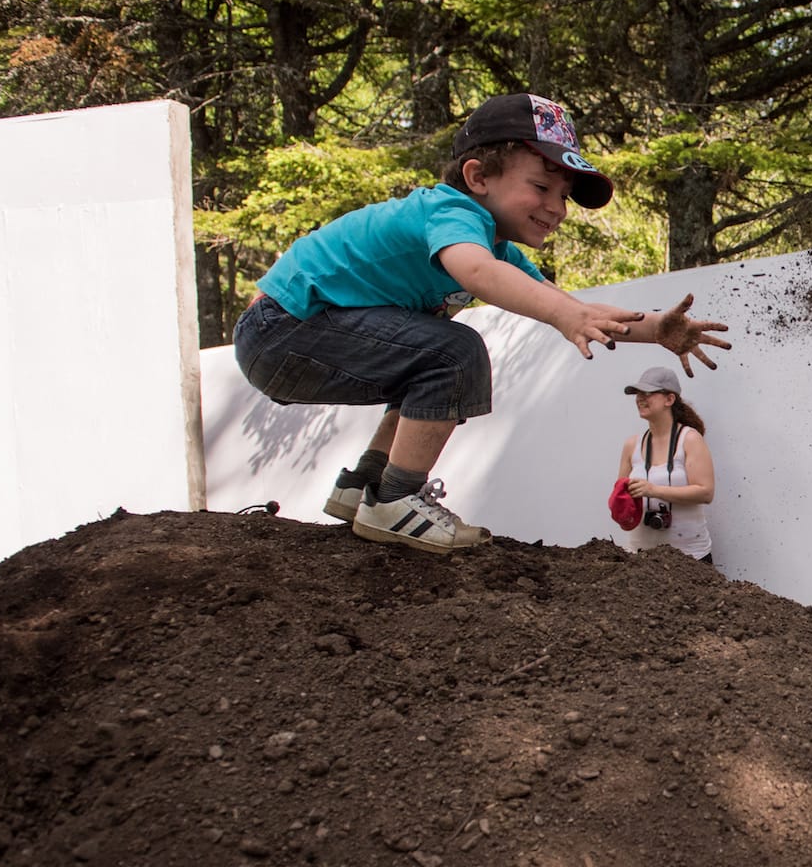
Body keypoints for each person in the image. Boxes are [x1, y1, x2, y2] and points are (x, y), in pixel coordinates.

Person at [233, 92, 730, 554]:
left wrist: (654, 329)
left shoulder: (497, 248)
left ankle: (364, 485)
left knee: (426, 370)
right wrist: (563, 314)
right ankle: (394, 500)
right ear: (478, 177)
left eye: (564, 196)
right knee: (454, 354)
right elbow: (478, 273)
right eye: (541, 187)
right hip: (284, 329)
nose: (557, 209)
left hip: (291, 337)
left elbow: (570, 306)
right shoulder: (449, 211)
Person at [615, 365, 716, 564]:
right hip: (640, 557)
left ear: (669, 399)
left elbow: (706, 493)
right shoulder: (631, 445)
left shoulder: (690, 439)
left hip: (689, 558)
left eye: (648, 393)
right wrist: (622, 506)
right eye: (638, 393)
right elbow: (622, 496)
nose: (640, 398)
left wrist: (653, 490)